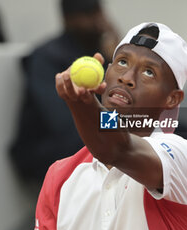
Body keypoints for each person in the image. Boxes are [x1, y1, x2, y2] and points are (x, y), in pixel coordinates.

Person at [33, 22, 187, 230]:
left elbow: (116, 150)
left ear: (172, 98)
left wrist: (82, 103)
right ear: (107, 71)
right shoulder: (59, 175)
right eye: (122, 62)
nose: (126, 78)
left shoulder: (185, 158)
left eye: (149, 72)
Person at [10, 0, 119, 183]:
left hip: (96, 140)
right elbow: (66, 124)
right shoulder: (46, 57)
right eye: (88, 15)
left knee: (165, 131)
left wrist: (118, 56)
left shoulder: (103, 53)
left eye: (99, 13)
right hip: (47, 151)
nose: (98, 22)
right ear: (68, 19)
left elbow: (126, 108)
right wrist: (120, 124)